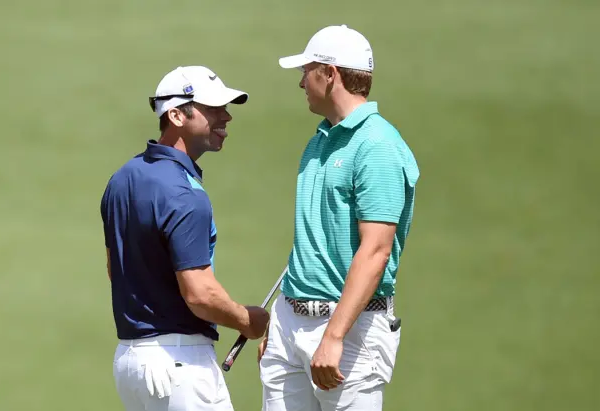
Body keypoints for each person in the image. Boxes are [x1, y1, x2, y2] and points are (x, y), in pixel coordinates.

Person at [258, 25, 420, 411]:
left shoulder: (378, 146)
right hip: (291, 322)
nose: (300, 83)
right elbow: (313, 241)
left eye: (306, 71)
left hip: (349, 331)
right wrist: (282, 316)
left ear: (330, 74)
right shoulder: (318, 141)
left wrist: (333, 336)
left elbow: (376, 251)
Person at [100, 65, 270, 411]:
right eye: (213, 109)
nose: (226, 117)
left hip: (131, 364)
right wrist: (248, 320)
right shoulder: (185, 193)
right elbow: (199, 294)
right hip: (179, 364)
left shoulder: (121, 179)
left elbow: (114, 269)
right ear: (176, 115)